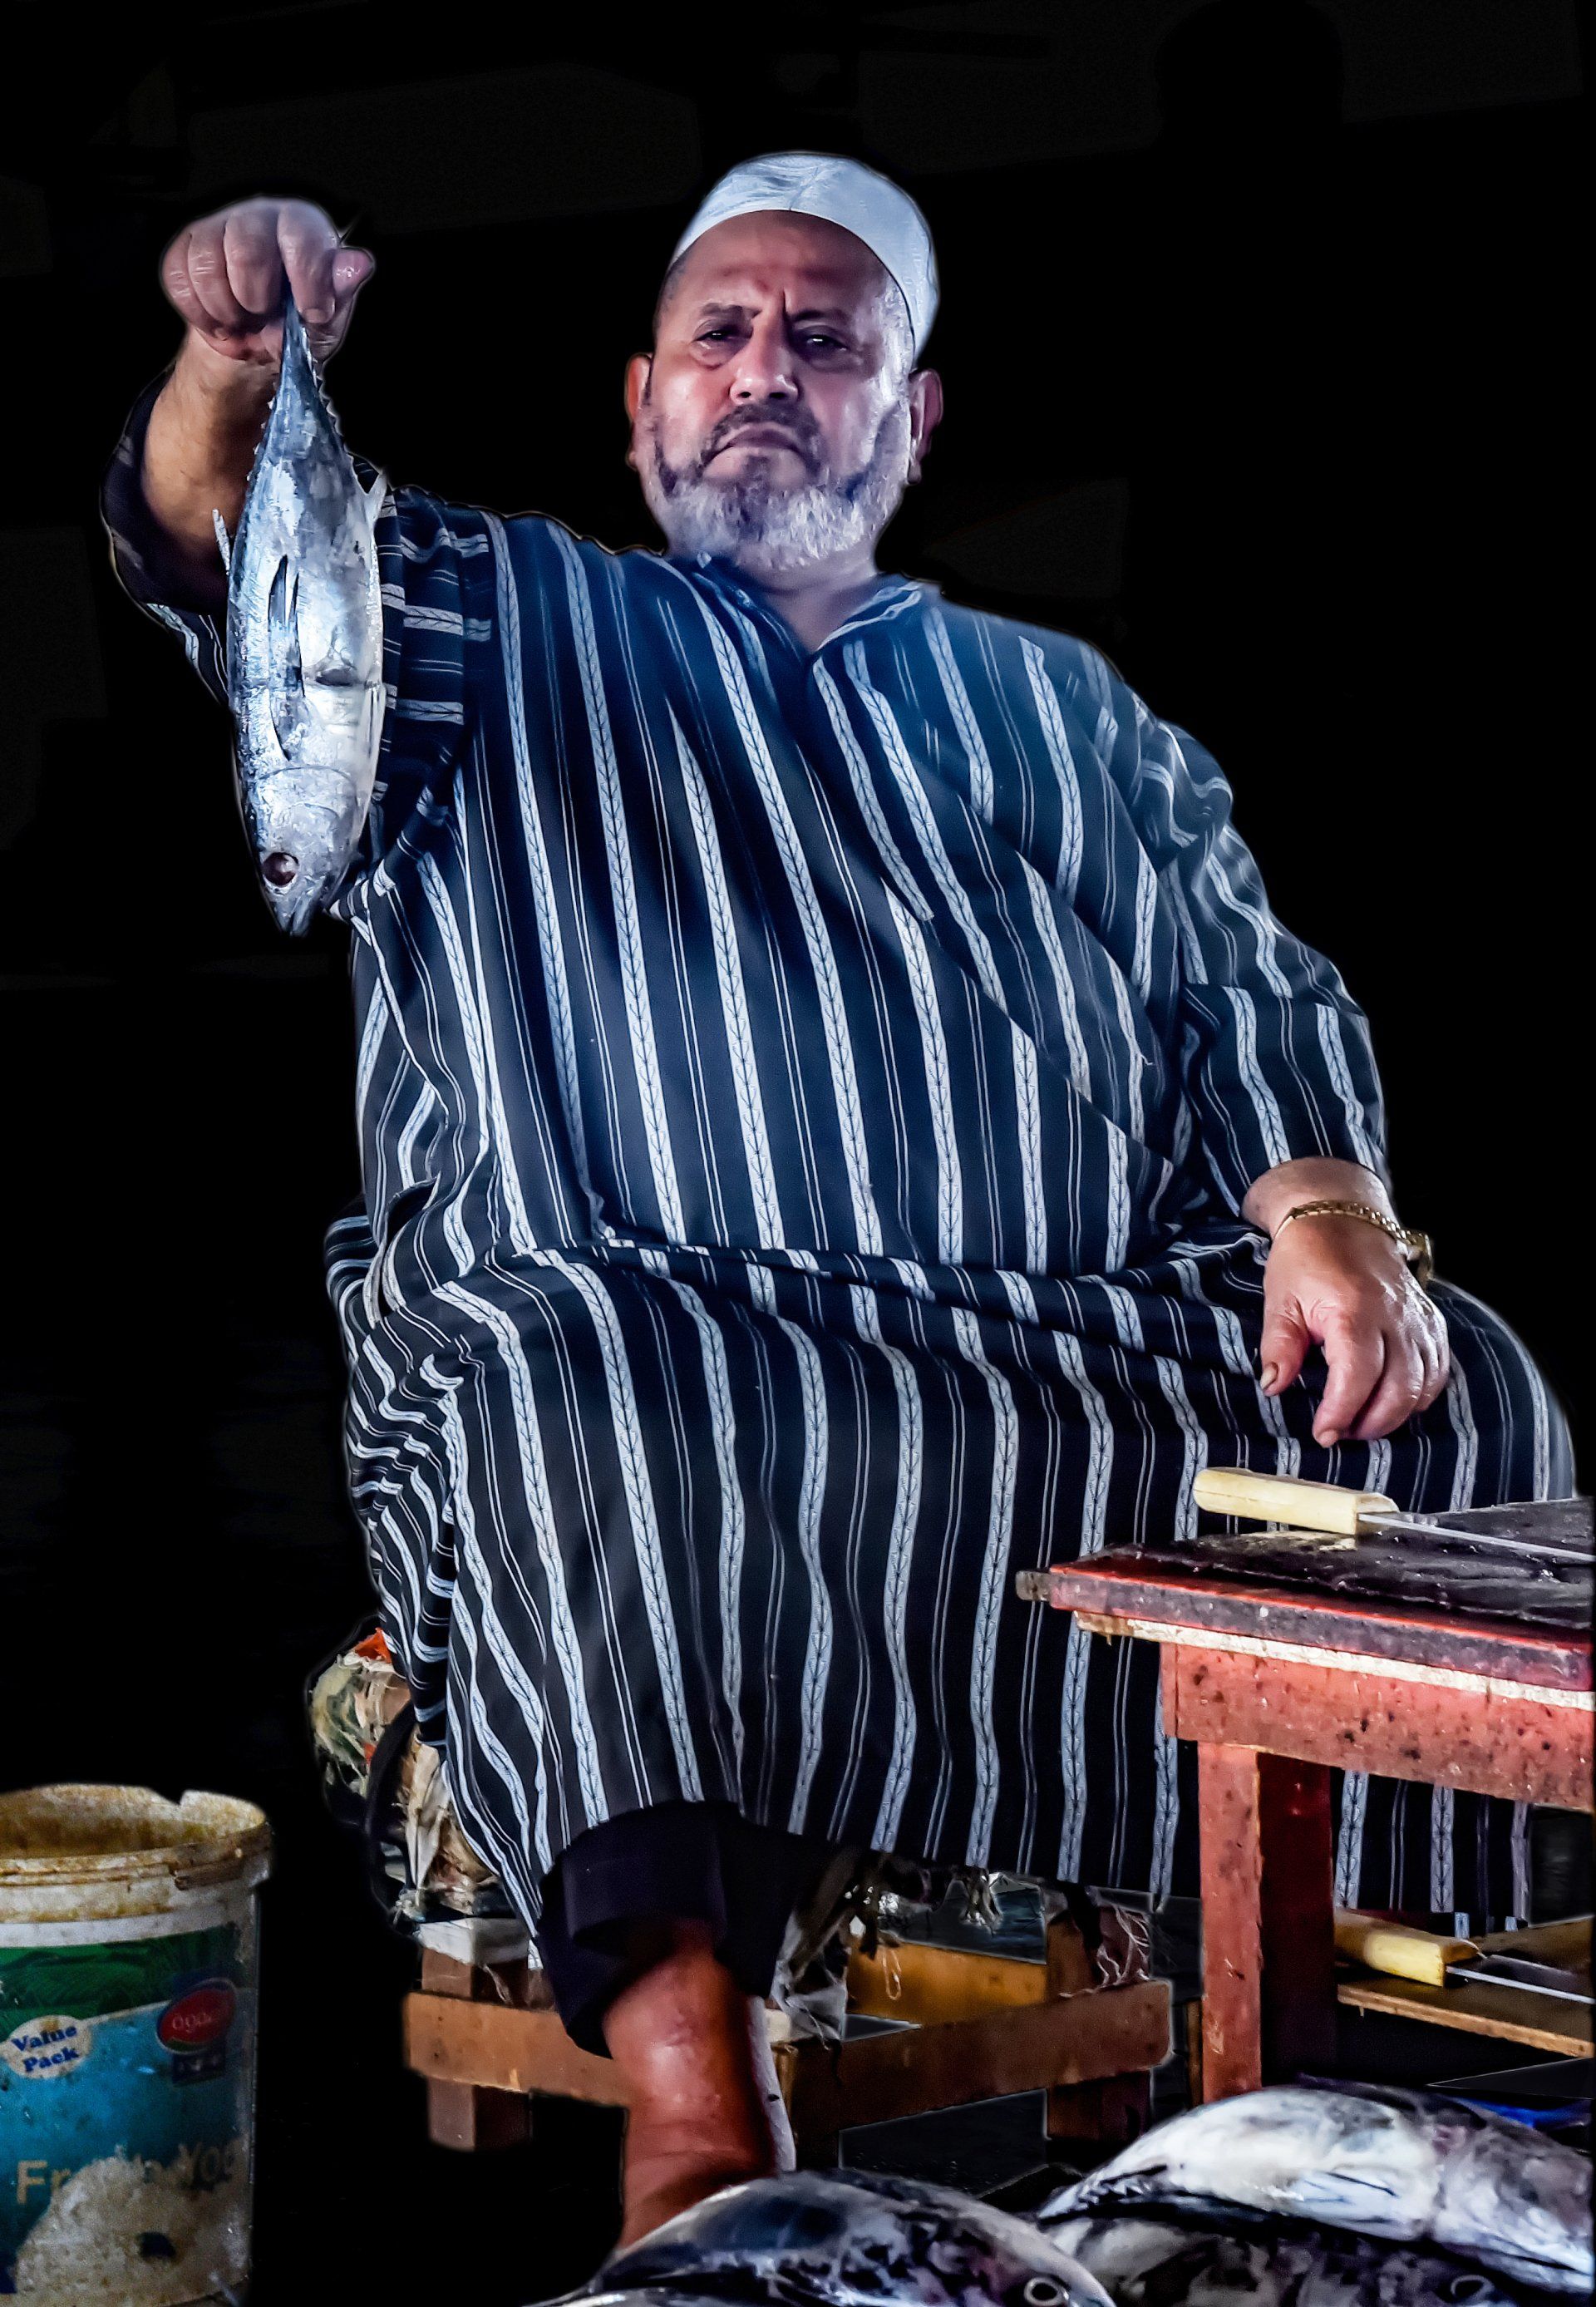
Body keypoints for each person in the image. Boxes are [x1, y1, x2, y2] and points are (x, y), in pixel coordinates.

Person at [103, 152, 1569, 2242]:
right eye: (719, 333)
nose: (766, 372)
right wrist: (233, 366)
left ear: (914, 411)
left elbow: (1243, 982)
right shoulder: (490, 616)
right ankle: (704, 2107)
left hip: (1048, 1354)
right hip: (660, 1321)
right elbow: (220, 539)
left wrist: (1330, 1207)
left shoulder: (1066, 706)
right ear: (643, 402)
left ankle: (1366, 2094)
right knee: (574, 1380)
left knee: (1460, 1389)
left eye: (825, 338)